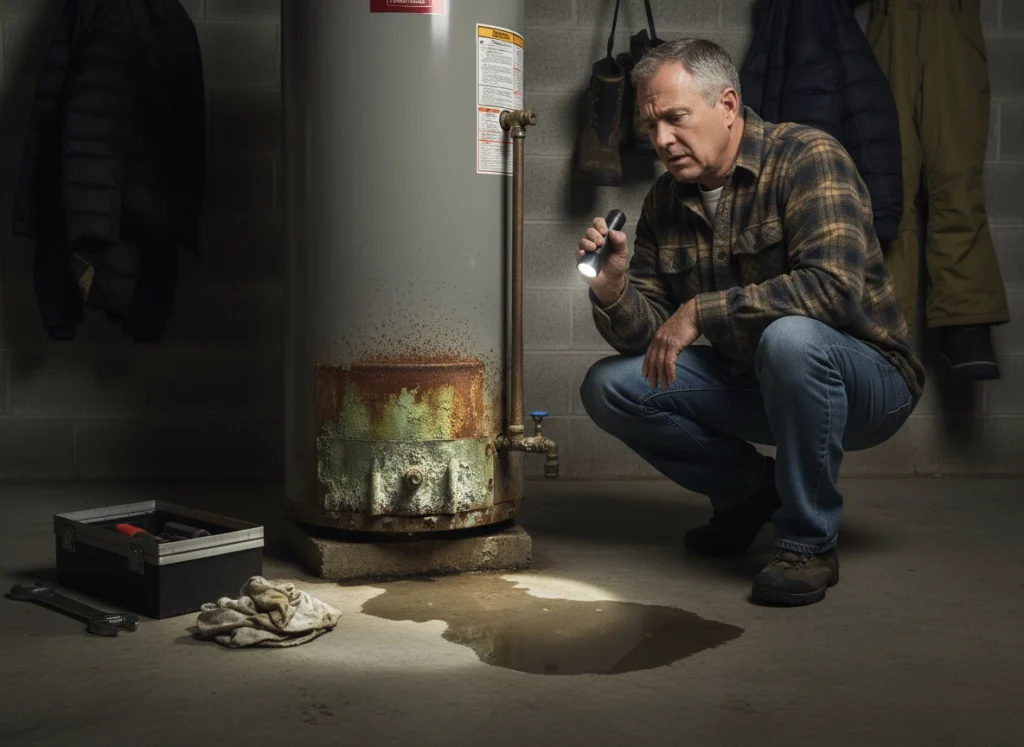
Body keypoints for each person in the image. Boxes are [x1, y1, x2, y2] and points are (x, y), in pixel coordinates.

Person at [576, 38, 926, 608]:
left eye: (675, 118)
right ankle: (747, 494)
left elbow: (834, 289)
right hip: (762, 380)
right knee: (611, 386)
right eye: (651, 124)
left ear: (729, 105)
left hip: (871, 383)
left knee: (789, 338)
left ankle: (808, 545)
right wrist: (613, 287)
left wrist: (701, 310)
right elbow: (651, 341)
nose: (661, 140)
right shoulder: (666, 200)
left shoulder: (808, 157)